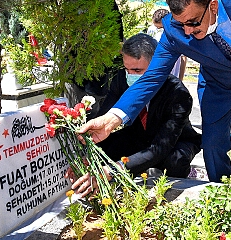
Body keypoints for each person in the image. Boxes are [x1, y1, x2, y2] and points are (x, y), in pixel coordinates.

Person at [79, 0, 231, 188]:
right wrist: (110, 120)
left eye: (193, 23)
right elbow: (151, 77)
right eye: (181, 23)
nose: (187, 31)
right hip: (219, 85)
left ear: (213, 7)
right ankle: (223, 194)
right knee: (213, 144)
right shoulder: (174, 31)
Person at [66, 33, 202, 195]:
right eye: (127, 69)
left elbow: (160, 147)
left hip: (174, 142)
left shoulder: (177, 93)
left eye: (137, 70)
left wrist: (114, 170)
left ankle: (178, 184)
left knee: (175, 161)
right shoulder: (121, 81)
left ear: (155, 67)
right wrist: (89, 156)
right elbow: (103, 120)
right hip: (138, 136)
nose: (131, 76)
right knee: (108, 147)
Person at [64, 0, 125, 111]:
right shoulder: (82, 1)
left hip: (102, 79)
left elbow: (117, 37)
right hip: (80, 78)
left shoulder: (111, 3)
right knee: (79, 121)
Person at [148, 8, 188, 80]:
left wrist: (180, 79)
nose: (160, 30)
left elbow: (183, 57)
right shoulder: (151, 30)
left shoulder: (178, 33)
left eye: (161, 28)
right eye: (157, 27)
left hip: (173, 76)